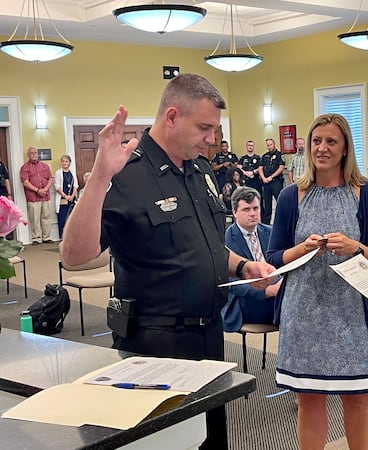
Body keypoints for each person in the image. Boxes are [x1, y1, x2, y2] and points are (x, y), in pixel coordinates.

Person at [60, 74, 274, 450]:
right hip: (154, 344)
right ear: (172, 117)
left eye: (215, 130)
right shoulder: (125, 172)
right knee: (165, 444)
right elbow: (74, 256)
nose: (212, 139)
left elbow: (207, 248)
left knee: (209, 440)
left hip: (208, 338)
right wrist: (99, 180)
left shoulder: (200, 171)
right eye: (205, 128)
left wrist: (243, 267)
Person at [267, 113, 368, 450]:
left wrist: (357, 248)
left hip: (354, 314)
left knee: (357, 399)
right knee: (308, 399)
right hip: (305, 313)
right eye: (316, 141)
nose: (322, 148)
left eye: (331, 141)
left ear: (345, 148)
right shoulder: (290, 196)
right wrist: (302, 249)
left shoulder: (367, 194)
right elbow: (274, 257)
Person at [222, 187, 281, 332]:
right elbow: (230, 282)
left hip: (276, 292)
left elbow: (281, 264)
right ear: (235, 213)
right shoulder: (225, 239)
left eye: (256, 208)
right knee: (289, 308)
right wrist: (267, 291)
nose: (253, 214)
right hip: (246, 300)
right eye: (246, 210)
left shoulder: (270, 232)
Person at [20, 146, 53, 244]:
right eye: (32, 153)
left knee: (46, 217)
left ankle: (46, 237)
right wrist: (37, 190)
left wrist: (45, 190)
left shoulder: (45, 166)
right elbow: (25, 182)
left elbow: (50, 179)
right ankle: (36, 239)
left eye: (35, 152)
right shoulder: (25, 167)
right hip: (33, 197)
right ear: (28, 155)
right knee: (34, 219)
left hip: (46, 196)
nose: (34, 154)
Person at [258, 138, 285, 223]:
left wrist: (272, 177)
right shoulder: (264, 156)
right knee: (267, 205)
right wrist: (263, 178)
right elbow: (260, 168)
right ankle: (266, 225)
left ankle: (283, 221)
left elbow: (281, 168)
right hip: (266, 183)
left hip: (276, 181)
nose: (269, 147)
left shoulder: (280, 155)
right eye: (268, 145)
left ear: (274, 144)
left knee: (281, 202)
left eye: (271, 145)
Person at [54, 155, 78, 239]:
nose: (64, 163)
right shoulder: (58, 173)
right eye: (63, 161)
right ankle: (63, 237)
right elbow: (57, 186)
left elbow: (75, 185)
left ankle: (71, 236)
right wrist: (65, 196)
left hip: (71, 199)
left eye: (66, 161)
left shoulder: (72, 173)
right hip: (62, 199)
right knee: (62, 218)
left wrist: (72, 196)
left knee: (72, 218)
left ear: (69, 163)